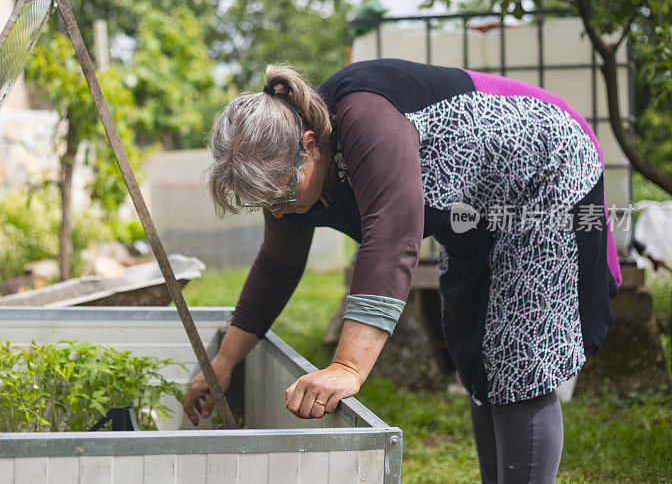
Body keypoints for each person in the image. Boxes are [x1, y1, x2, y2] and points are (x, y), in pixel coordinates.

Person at [182, 59, 621, 483]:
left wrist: (347, 367)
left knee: (518, 359)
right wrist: (224, 361)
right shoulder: (289, 176)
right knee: (481, 349)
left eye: (280, 194)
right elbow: (277, 268)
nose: (277, 211)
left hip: (545, 170)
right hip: (473, 214)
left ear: (311, 144)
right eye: (266, 203)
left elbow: (392, 240)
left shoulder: (365, 116)